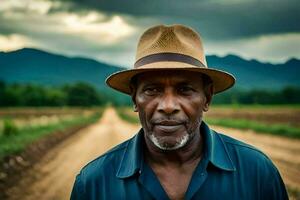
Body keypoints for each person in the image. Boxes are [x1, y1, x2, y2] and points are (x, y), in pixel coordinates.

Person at [70, 24, 288, 200]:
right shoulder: (93, 183)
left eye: (185, 90)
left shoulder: (257, 172)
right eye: (152, 90)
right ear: (134, 98)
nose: (168, 106)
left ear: (207, 97)